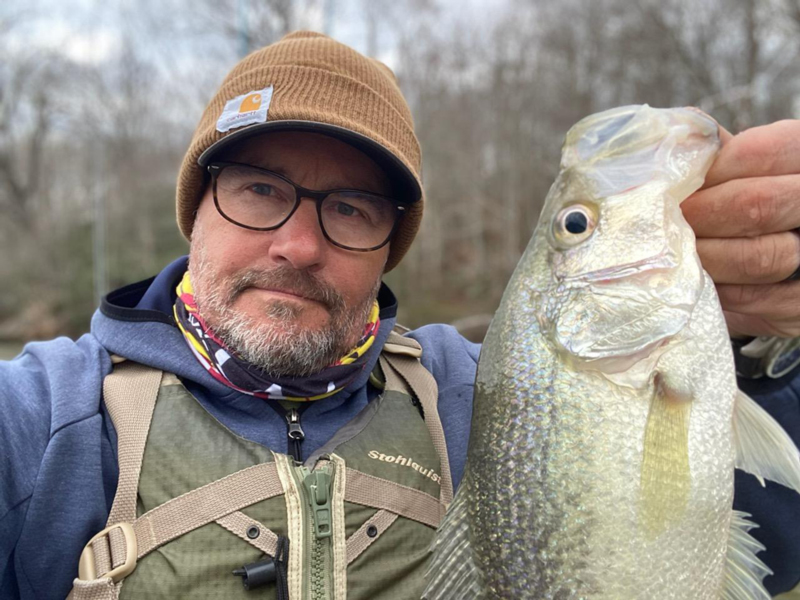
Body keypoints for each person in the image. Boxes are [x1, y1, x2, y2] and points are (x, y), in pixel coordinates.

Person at [1, 30, 799, 599]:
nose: (298, 244)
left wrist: (766, 346)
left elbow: (763, 496)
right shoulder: (43, 419)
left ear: (391, 246)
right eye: (259, 190)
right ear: (195, 208)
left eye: (350, 208)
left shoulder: (489, 394)